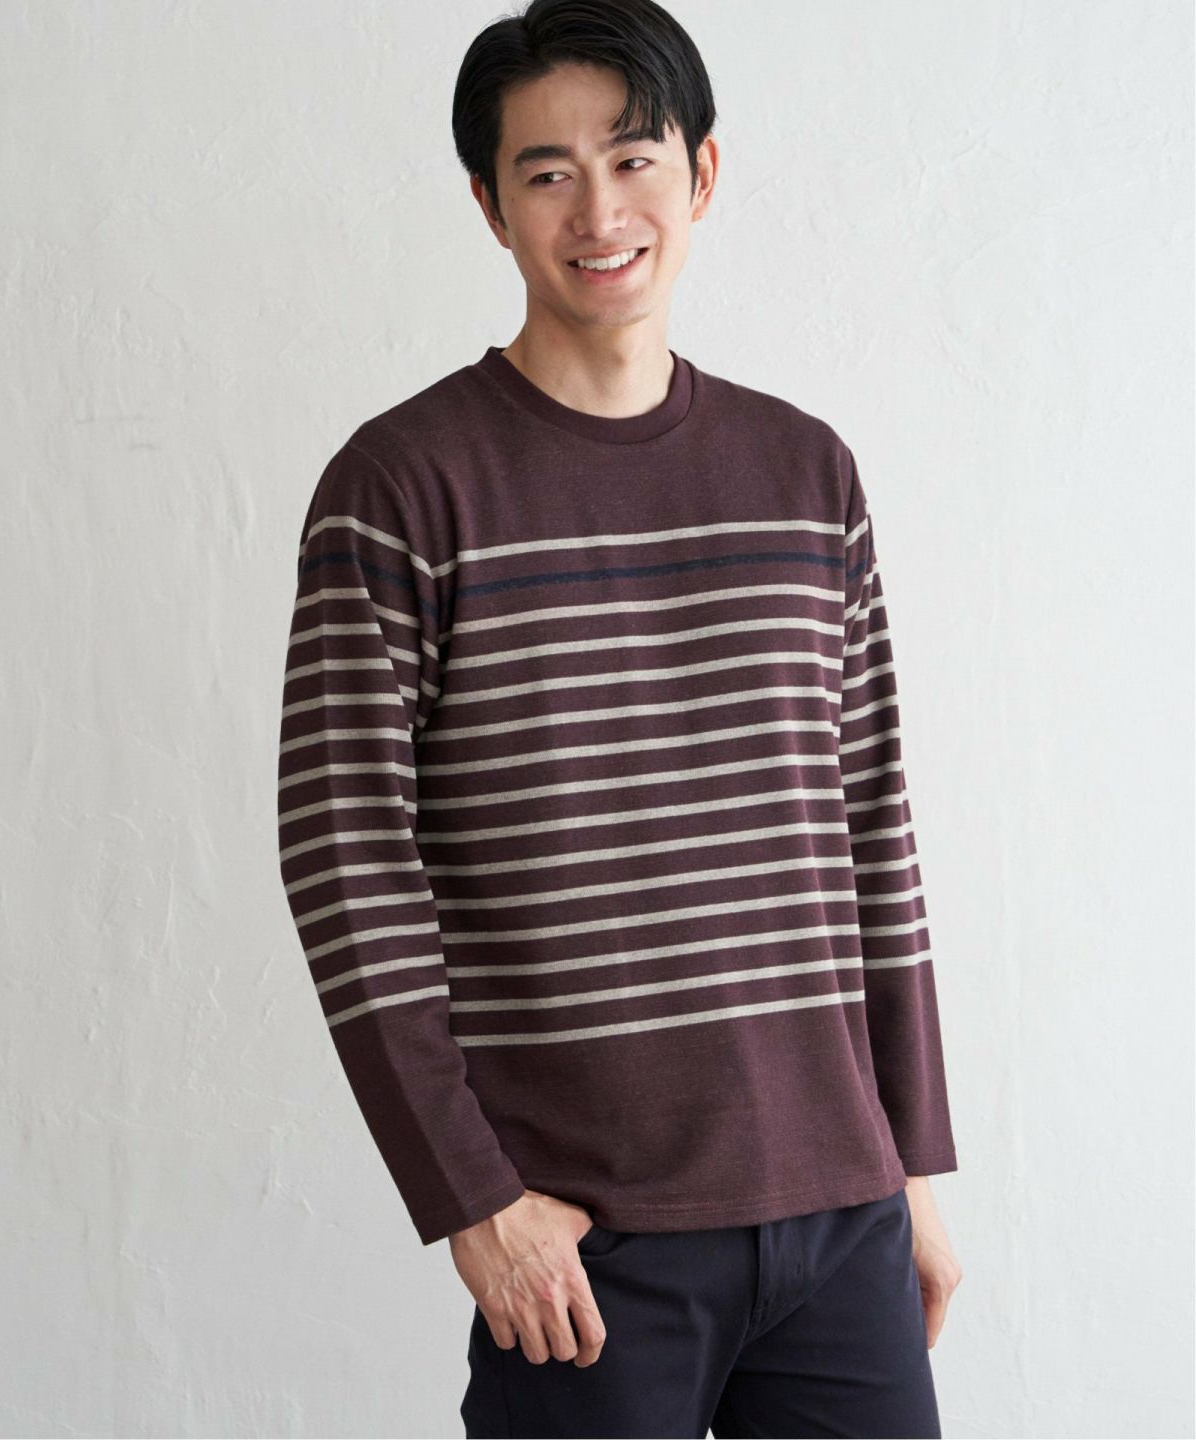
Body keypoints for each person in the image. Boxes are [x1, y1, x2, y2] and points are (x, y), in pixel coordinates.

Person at [275, 0, 963, 1434]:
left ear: (701, 174)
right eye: (548, 172)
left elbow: (869, 827)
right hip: (587, 1249)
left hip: (843, 1215)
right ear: (490, 205)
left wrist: (912, 1167)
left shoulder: (807, 473)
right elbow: (348, 860)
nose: (599, 211)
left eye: (634, 159)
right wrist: (471, 1201)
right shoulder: (401, 488)